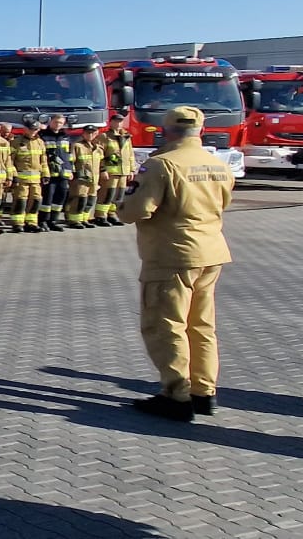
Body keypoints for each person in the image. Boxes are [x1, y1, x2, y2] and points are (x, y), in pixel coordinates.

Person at [118, 106, 235, 422]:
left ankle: (176, 395)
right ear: (201, 131)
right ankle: (203, 392)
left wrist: (122, 205)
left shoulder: (161, 165)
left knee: (167, 325)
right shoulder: (217, 164)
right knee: (201, 325)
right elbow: (225, 201)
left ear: (165, 131)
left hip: (172, 255)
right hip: (210, 252)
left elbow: (137, 210)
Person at [10, 119, 48, 233]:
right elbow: (10, 161)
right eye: (31, 129)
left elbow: (43, 160)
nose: (33, 132)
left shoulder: (40, 142)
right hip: (21, 179)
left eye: (36, 130)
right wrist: (13, 176)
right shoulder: (16, 142)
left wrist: (46, 174)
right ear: (25, 129)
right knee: (21, 201)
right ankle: (18, 223)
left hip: (36, 180)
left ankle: (31, 223)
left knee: (36, 200)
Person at [39, 114, 76, 231]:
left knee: (60, 198)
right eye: (56, 122)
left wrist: (71, 170)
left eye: (60, 123)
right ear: (50, 122)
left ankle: (53, 221)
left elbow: (69, 156)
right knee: (47, 198)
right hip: (50, 173)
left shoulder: (65, 137)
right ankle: (43, 221)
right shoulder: (43, 136)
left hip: (63, 173)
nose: (58, 125)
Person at [99, 114, 135, 226]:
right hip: (111, 172)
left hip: (123, 172)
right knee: (108, 194)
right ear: (111, 123)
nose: (118, 124)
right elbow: (99, 155)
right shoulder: (104, 137)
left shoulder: (126, 137)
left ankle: (112, 214)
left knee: (119, 195)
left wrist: (132, 170)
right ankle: (101, 216)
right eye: (116, 121)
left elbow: (130, 154)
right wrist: (102, 170)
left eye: (120, 122)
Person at [68, 125, 105, 228]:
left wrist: (103, 171)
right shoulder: (77, 146)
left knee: (90, 200)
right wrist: (72, 173)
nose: (90, 135)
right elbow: (71, 161)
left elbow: (102, 162)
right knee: (80, 199)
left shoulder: (98, 147)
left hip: (94, 179)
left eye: (93, 133)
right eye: (88, 133)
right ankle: (75, 220)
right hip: (81, 179)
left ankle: (85, 219)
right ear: (83, 134)